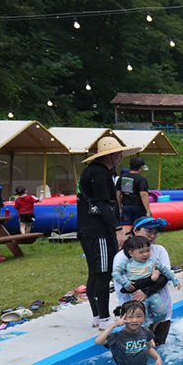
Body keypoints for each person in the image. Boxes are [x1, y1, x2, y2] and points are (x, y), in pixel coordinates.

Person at [79, 136, 141, 329]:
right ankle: (105, 319)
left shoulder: (94, 171)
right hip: (99, 232)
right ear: (110, 155)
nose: (121, 156)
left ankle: (98, 316)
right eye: (119, 153)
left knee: (95, 274)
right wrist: (118, 229)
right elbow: (102, 204)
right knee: (103, 274)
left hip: (89, 229)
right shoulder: (98, 173)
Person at [113, 216, 175, 344]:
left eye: (155, 233)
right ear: (135, 231)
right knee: (140, 348)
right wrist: (152, 279)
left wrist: (146, 291)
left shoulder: (159, 250)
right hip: (135, 312)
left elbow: (165, 277)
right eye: (148, 231)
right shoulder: (122, 257)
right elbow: (126, 287)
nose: (152, 236)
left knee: (159, 345)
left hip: (162, 306)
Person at [94, 301, 162, 365]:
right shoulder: (117, 337)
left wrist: (157, 357)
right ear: (122, 317)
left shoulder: (145, 332)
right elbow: (98, 341)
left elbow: (149, 348)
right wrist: (114, 325)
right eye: (130, 317)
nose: (135, 320)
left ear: (144, 316)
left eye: (139, 316)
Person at [117, 156, 152, 228]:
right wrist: (148, 210)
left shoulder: (122, 178)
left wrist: (120, 208)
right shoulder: (141, 179)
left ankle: (126, 238)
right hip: (138, 207)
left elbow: (118, 194)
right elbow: (143, 195)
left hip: (126, 207)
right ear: (141, 167)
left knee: (126, 228)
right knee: (140, 228)